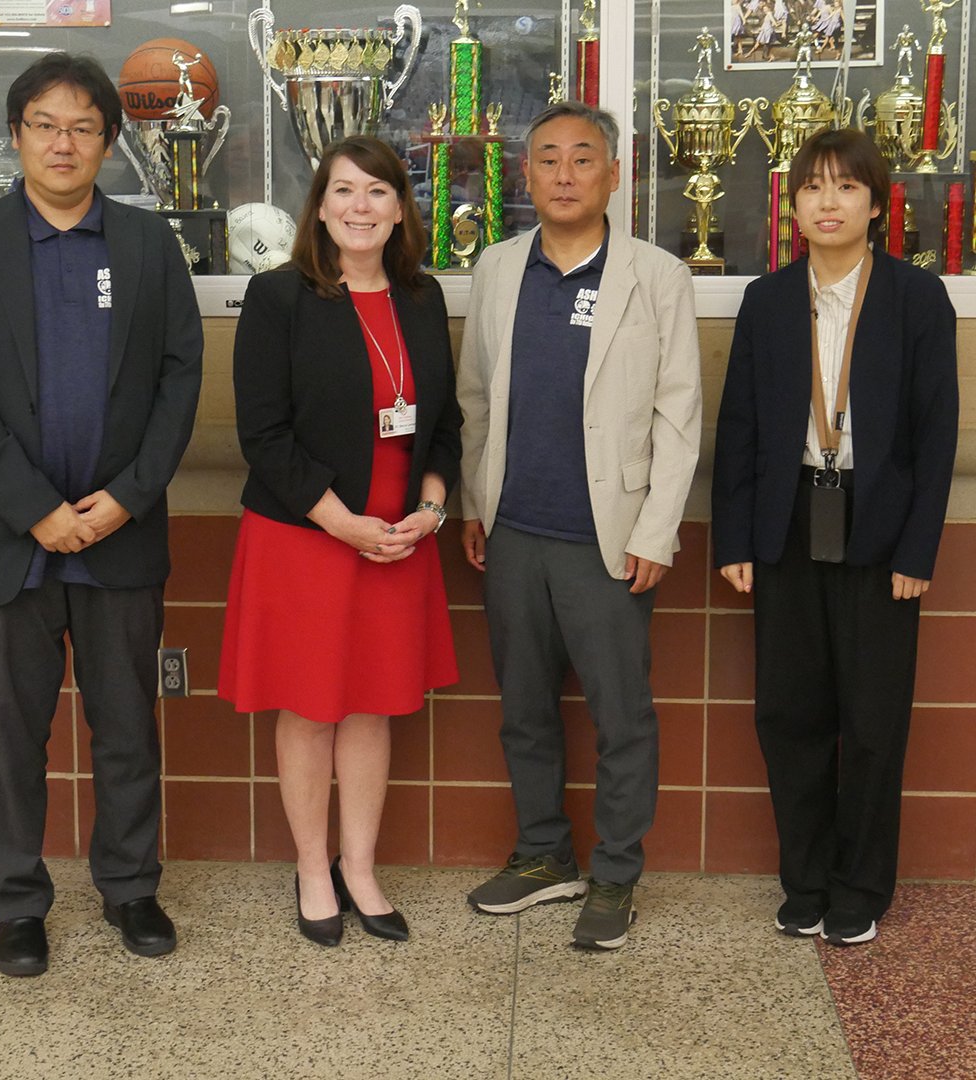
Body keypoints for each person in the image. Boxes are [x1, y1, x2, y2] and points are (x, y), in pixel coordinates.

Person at [0, 53, 203, 976]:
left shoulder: (148, 244)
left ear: (109, 143)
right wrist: (36, 508)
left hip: (120, 535)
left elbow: (180, 378)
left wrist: (128, 497)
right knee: (11, 735)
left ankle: (130, 887)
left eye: (83, 127)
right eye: (45, 125)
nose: (63, 143)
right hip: (11, 540)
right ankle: (16, 901)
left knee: (127, 727)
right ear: (16, 137)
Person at [457, 101, 702, 950]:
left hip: (610, 538)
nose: (565, 175)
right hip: (515, 530)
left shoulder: (656, 276)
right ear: (525, 175)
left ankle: (616, 874)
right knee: (524, 709)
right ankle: (543, 856)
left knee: (620, 717)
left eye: (583, 158)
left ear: (614, 174)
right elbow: (476, 397)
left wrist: (656, 531)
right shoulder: (498, 268)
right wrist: (475, 504)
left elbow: (678, 416)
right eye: (549, 159)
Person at [712, 128, 957, 946]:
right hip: (786, 527)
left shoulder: (916, 299)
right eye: (813, 186)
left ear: (877, 205)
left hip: (880, 532)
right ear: (793, 205)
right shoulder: (768, 300)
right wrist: (734, 540)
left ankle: (861, 886)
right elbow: (740, 428)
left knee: (875, 721)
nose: (828, 202)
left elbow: (937, 435)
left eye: (847, 187)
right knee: (790, 714)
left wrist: (918, 551)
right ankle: (807, 880)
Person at [219, 135, 460, 947]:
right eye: (345, 190)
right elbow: (263, 433)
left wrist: (430, 509)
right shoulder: (279, 297)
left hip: (398, 538)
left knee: (372, 705)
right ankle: (313, 869)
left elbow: (444, 425)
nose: (362, 207)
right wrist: (341, 522)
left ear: (400, 209)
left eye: (378, 192)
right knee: (310, 707)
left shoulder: (422, 298)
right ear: (319, 207)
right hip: (308, 535)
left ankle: (360, 867)